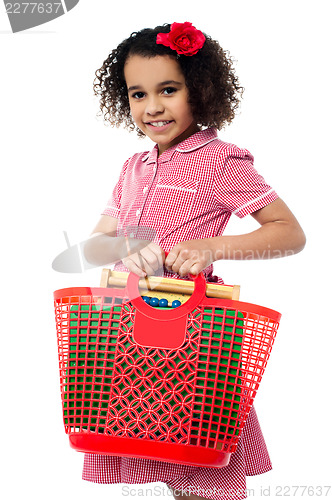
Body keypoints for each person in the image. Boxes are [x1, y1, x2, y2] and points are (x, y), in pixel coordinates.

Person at [83, 22, 306, 500]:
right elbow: (93, 245)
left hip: (194, 331)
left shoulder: (221, 163)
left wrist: (212, 247)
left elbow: (289, 233)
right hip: (125, 330)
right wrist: (123, 245)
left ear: (200, 89)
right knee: (151, 453)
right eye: (138, 94)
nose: (153, 107)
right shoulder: (132, 168)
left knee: (202, 467)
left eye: (169, 89)